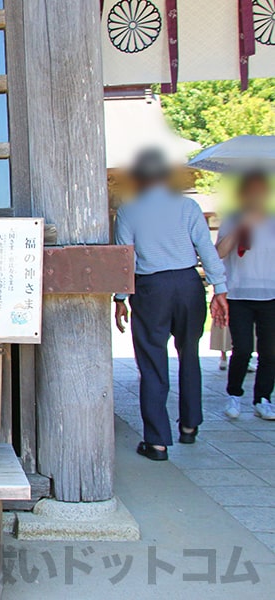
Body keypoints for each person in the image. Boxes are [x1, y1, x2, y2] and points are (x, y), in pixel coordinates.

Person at [114, 148, 229, 461]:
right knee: (189, 353)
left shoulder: (129, 210)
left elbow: (126, 258)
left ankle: (157, 442)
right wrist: (220, 288)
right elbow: (206, 249)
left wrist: (121, 298)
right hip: (188, 284)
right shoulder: (188, 207)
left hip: (151, 288)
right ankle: (190, 425)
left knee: (152, 362)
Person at [217, 173, 275, 420]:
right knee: (242, 349)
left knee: (270, 351)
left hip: (270, 294)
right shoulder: (233, 219)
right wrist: (242, 226)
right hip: (239, 293)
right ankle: (234, 394)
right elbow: (218, 252)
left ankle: (263, 398)